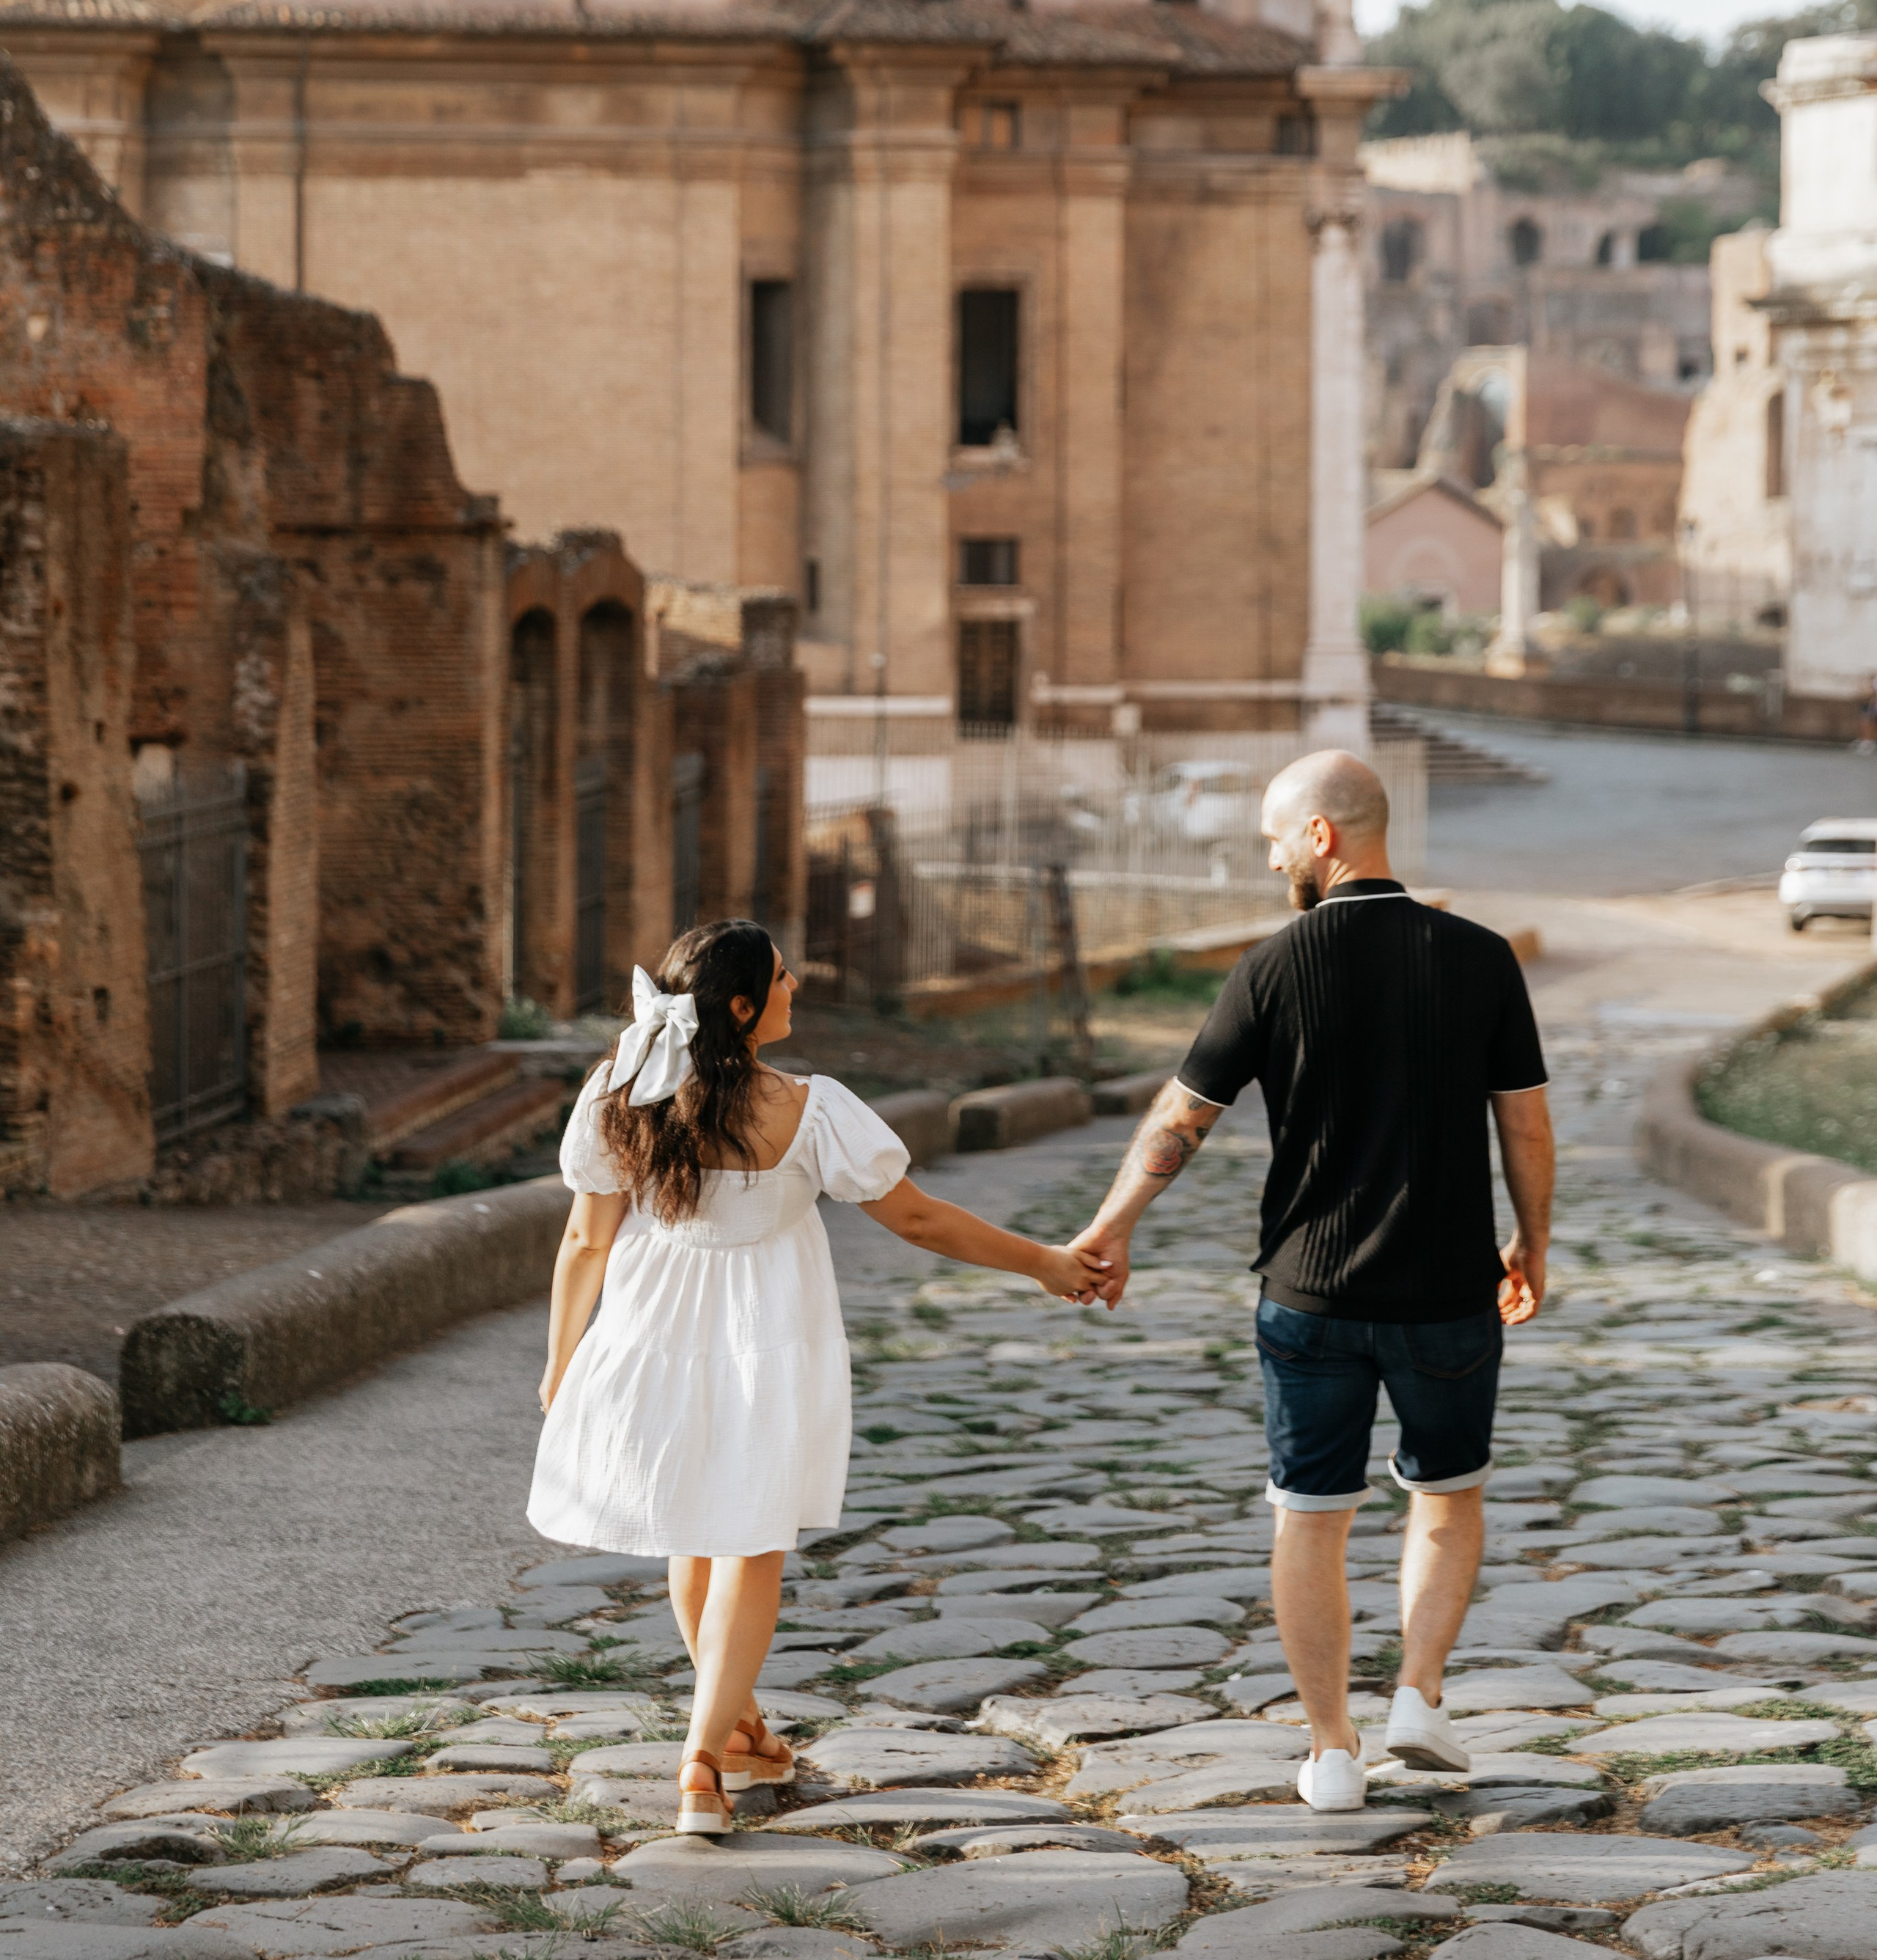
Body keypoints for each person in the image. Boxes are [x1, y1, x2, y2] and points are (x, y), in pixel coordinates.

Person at [529, 917, 1104, 1838]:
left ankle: (741, 1730)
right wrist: (1042, 1261)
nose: (800, 988)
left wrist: (563, 1360)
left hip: (651, 1331)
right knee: (750, 1546)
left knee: (696, 1532)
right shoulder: (812, 1106)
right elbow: (917, 1222)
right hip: (767, 1339)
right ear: (747, 1005)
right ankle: (701, 1764)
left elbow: (584, 1237)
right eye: (786, 979)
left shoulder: (621, 1089)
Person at [1070, 749, 1554, 1815]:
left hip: (1309, 1299)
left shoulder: (1272, 966)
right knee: (1448, 1493)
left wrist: (1108, 1231)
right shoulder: (1479, 958)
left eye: (1278, 836)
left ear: (1325, 836)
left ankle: (1333, 1752)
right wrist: (1533, 1244)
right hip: (1448, 1297)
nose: (1273, 855)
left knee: (1311, 1517)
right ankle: (1418, 1699)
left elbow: (1181, 1120)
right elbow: (1524, 1118)